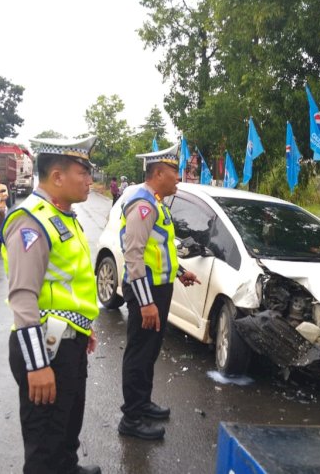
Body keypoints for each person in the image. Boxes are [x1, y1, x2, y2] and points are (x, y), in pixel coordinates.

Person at [1, 136, 101, 474]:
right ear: (57, 177)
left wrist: (81, 327)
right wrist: (37, 365)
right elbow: (23, 296)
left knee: (67, 425)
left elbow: (66, 284)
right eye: (83, 173)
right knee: (44, 444)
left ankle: (68, 467)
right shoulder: (31, 220)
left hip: (65, 340)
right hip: (44, 347)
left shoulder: (64, 215)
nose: (90, 180)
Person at [118, 144, 200, 441]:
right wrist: (146, 302)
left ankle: (143, 402)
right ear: (157, 173)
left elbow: (160, 249)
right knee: (140, 352)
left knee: (150, 349)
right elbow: (134, 255)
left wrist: (180, 273)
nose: (179, 177)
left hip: (158, 288)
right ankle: (131, 417)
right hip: (145, 290)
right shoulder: (142, 205)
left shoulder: (156, 202)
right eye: (174, 172)